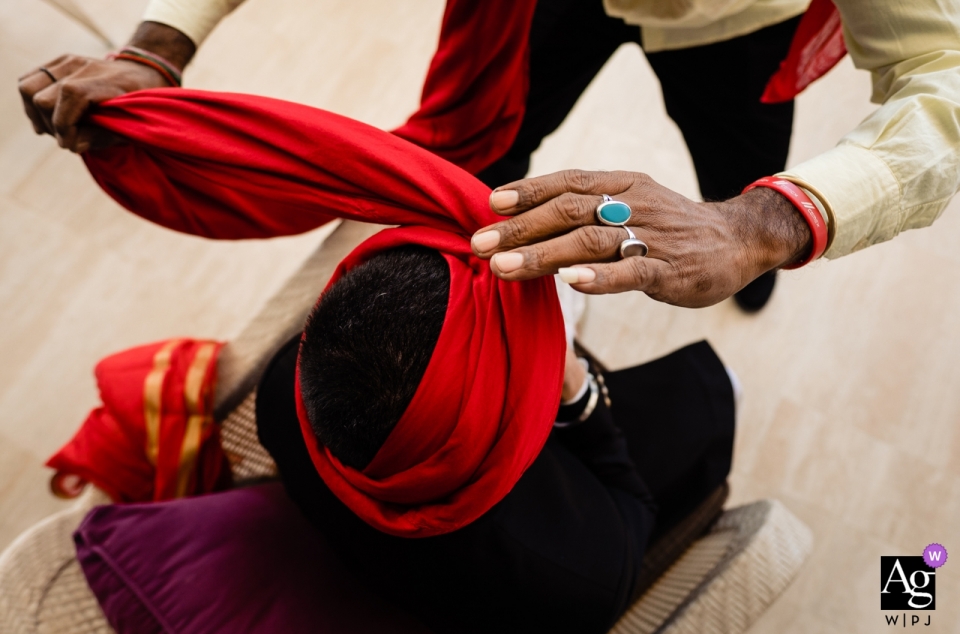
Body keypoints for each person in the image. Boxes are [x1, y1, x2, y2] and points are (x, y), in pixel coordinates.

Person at [52, 88, 736, 634]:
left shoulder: (283, 396)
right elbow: (633, 510)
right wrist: (582, 396)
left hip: (385, 545)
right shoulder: (578, 576)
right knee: (710, 398)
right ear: (501, 414)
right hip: (510, 566)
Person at [19, 1, 960, 313]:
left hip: (737, 28)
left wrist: (764, 224)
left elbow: (941, 67)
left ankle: (751, 275)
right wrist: (157, 45)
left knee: (736, 177)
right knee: (486, 164)